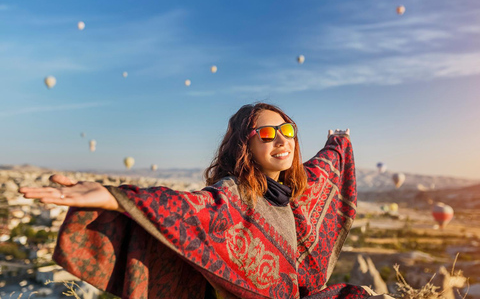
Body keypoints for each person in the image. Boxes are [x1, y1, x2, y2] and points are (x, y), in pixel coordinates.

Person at [19, 103, 391, 299]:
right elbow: (182, 209)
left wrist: (339, 143)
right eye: (266, 133)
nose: (281, 140)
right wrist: (113, 197)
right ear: (246, 144)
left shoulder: (294, 192)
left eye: (287, 130)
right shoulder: (236, 194)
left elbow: (326, 168)